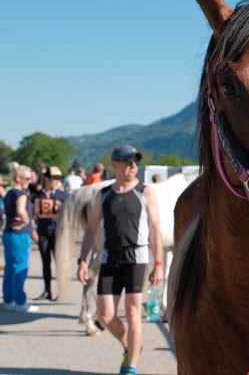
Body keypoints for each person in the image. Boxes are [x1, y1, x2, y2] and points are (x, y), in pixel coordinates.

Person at [77, 144, 163, 375]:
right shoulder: (103, 195)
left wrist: (158, 265)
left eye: (136, 162)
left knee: (133, 312)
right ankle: (129, 344)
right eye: (128, 162)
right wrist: (82, 260)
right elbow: (91, 229)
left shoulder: (145, 192)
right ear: (115, 165)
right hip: (109, 257)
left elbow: (155, 230)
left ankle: (131, 367)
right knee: (105, 315)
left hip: (137, 257)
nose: (133, 166)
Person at [2, 165, 39, 313]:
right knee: (20, 268)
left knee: (10, 268)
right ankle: (19, 301)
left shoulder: (10, 193)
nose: (30, 181)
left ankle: (8, 299)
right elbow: (20, 210)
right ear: (19, 178)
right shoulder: (21, 194)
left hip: (8, 234)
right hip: (19, 235)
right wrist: (26, 222)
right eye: (28, 178)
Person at [32, 166, 67, 300]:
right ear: (47, 178)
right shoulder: (37, 195)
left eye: (58, 178)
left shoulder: (62, 196)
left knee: (59, 262)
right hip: (43, 232)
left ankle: (61, 291)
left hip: (57, 232)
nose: (57, 181)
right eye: (54, 178)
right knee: (45, 262)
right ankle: (47, 290)